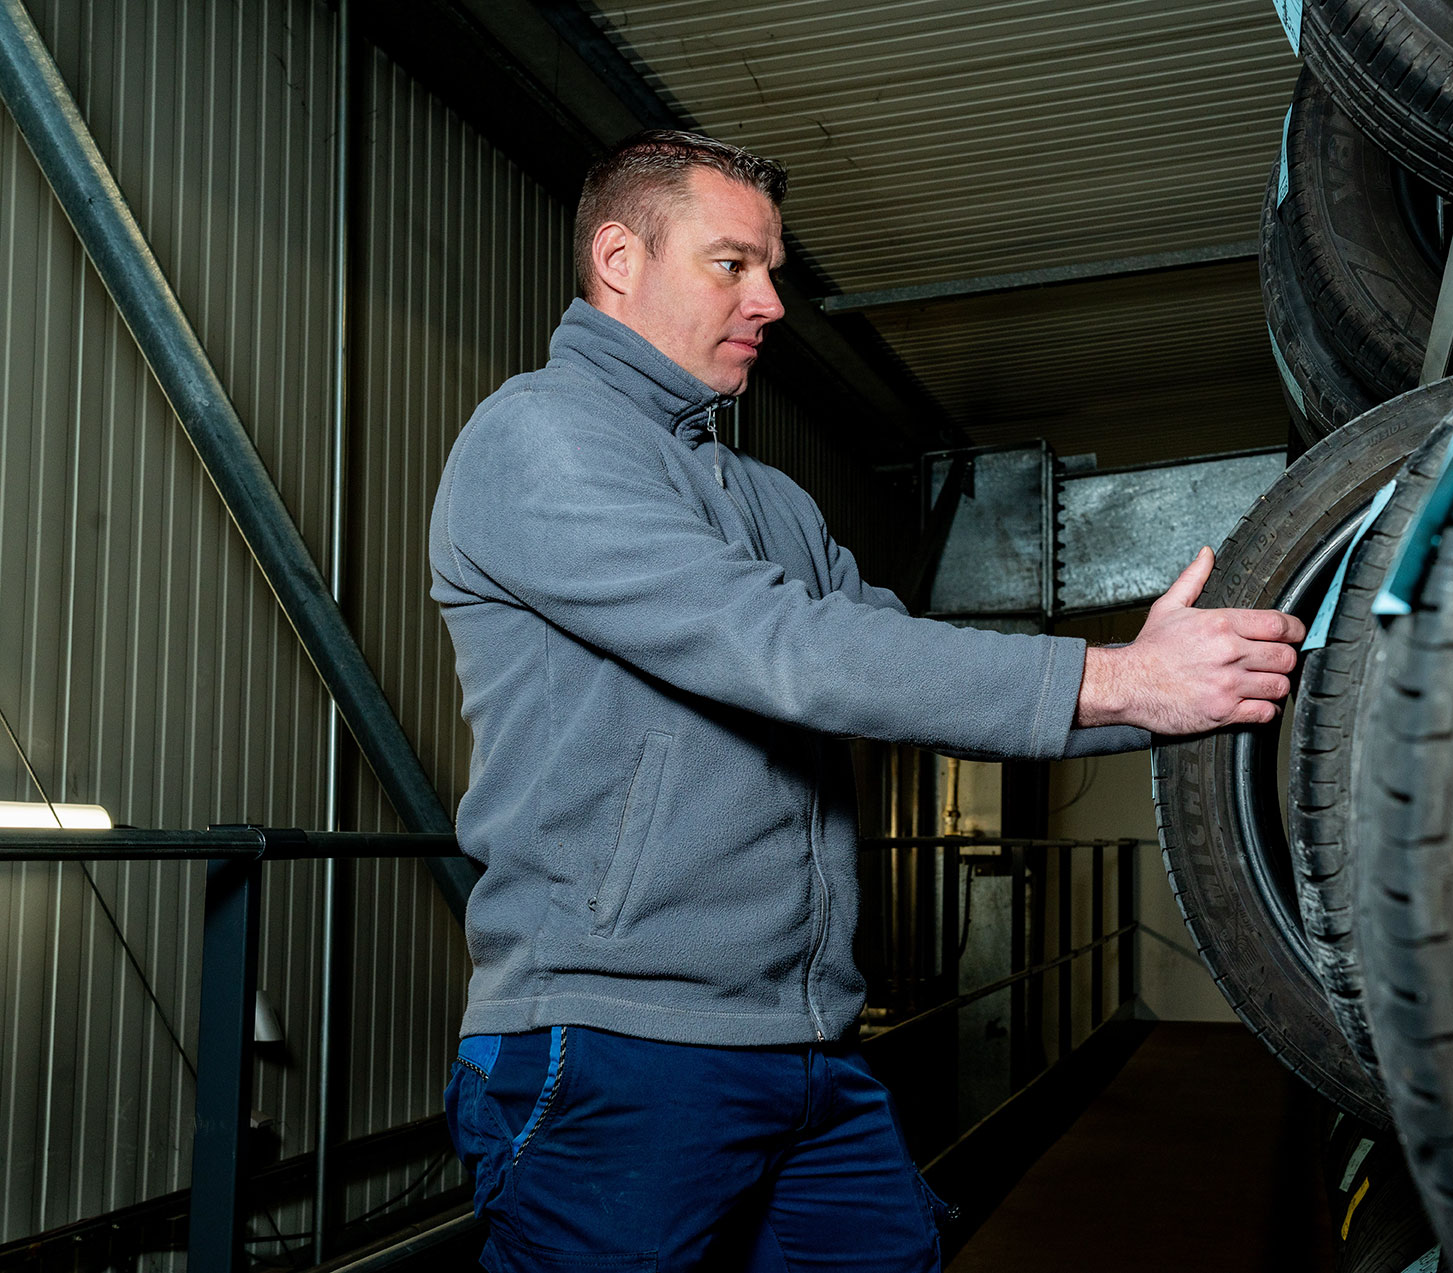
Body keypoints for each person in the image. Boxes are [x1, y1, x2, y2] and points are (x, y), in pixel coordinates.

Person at [428, 130, 1305, 1273]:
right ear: (618, 258)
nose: (773, 302)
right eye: (733, 264)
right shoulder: (537, 439)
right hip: (618, 1042)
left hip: (807, 1045)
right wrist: (1125, 680)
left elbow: (884, 654)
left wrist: (1157, 688)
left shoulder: (771, 498)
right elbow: (776, 646)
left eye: (772, 268)